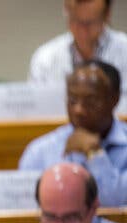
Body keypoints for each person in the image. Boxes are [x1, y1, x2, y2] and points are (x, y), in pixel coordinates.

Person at [19, 60, 127, 206]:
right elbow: (25, 211)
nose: (79, 110)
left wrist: (94, 153)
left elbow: (112, 204)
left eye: (90, 101)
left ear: (115, 99)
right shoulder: (39, 152)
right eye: (72, 100)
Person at [28, 0, 127, 89]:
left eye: (90, 22)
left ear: (107, 15)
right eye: (75, 20)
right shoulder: (45, 58)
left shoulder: (124, 50)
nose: (83, 30)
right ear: (65, 11)